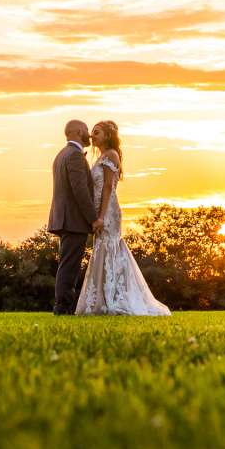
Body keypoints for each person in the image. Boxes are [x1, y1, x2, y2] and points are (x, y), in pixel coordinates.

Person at [73, 120, 169, 317]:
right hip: (100, 208)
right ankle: (101, 298)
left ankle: (113, 298)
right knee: (103, 249)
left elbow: (108, 187)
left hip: (108, 211)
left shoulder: (111, 155)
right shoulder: (99, 158)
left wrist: (100, 216)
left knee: (109, 248)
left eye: (97, 132)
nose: (92, 136)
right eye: (92, 132)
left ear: (108, 136)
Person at [47, 119, 97, 312]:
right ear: (77, 132)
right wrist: (93, 219)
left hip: (64, 218)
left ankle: (63, 305)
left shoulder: (62, 154)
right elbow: (80, 191)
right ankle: (63, 307)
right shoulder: (75, 155)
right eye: (85, 129)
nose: (88, 134)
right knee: (69, 265)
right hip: (73, 220)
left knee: (67, 263)